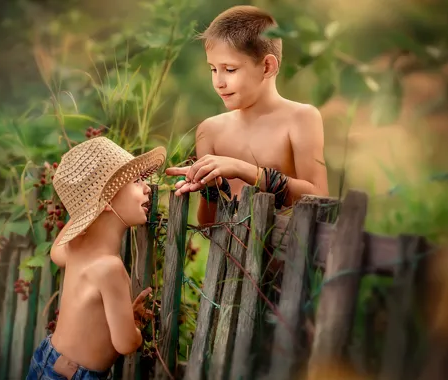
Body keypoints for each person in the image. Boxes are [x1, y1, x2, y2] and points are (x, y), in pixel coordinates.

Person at [165, 5, 329, 225]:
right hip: (227, 258)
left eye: (230, 69)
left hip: (288, 256)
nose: (219, 82)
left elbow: (319, 199)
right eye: (213, 69)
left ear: (267, 66)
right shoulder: (210, 131)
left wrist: (242, 169)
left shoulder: (301, 118)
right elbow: (208, 225)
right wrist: (213, 188)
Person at [27, 136, 166, 380]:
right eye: (136, 181)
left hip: (48, 359)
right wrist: (135, 328)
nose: (147, 188)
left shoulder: (75, 247)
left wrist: (85, 204)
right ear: (106, 202)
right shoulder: (110, 268)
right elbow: (125, 344)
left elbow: (55, 252)